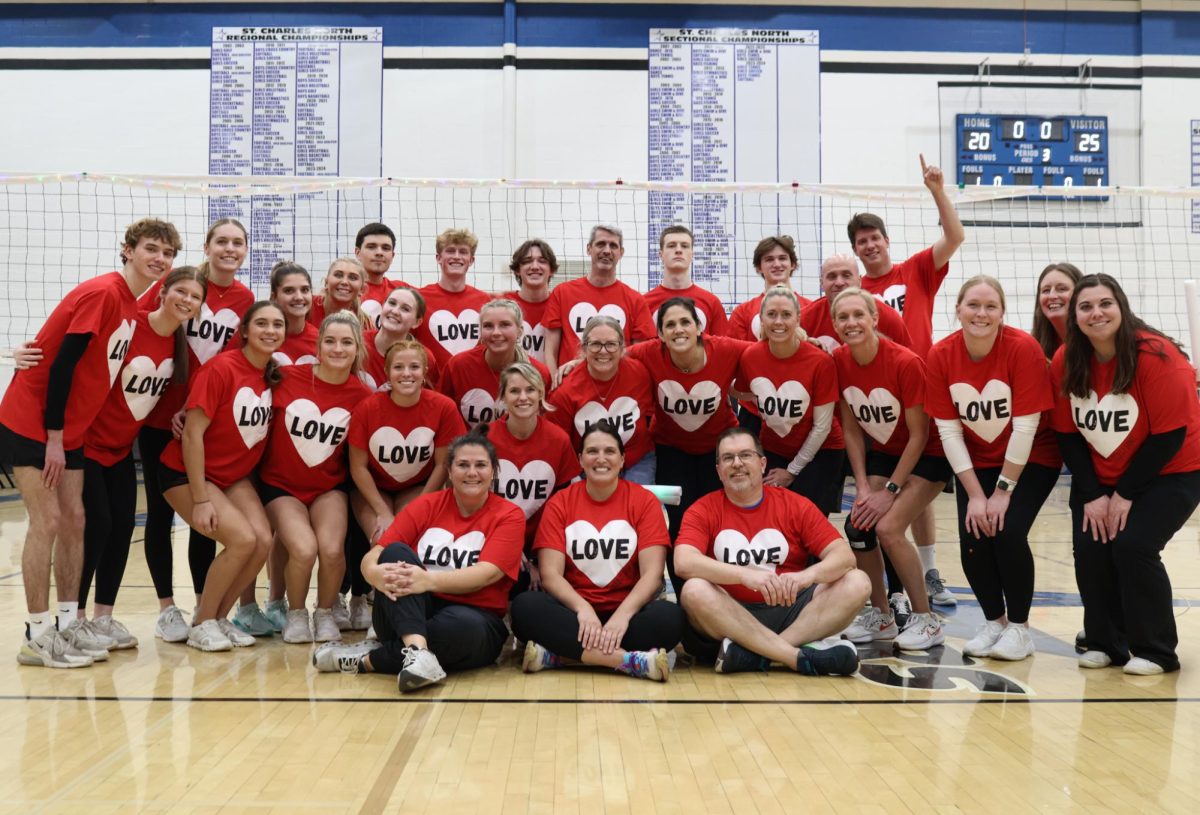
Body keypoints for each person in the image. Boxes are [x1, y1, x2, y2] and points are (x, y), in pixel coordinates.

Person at [5, 224, 182, 668]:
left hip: (71, 430)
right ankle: (36, 634)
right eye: (151, 249)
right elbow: (63, 363)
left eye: (168, 252)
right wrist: (55, 438)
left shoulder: (130, 302)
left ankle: (69, 625)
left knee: (78, 520)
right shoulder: (105, 292)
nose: (159, 258)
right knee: (47, 520)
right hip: (34, 423)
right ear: (127, 251)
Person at [1051, 274, 1200, 675]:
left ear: (1121, 306)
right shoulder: (1067, 359)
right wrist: (1095, 493)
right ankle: (1105, 642)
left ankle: (1156, 651)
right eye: (1085, 307)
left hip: (1173, 470)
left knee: (1133, 546)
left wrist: (1125, 494)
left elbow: (1170, 436)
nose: (1096, 313)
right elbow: (1066, 434)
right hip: (1100, 474)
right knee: (1091, 548)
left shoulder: (1157, 356)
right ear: (1075, 316)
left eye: (1105, 304)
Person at [312, 429, 525, 692]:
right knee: (395, 552)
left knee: (464, 630)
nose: (472, 472)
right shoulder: (427, 505)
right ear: (449, 471)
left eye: (481, 465)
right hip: (408, 610)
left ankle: (367, 659)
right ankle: (417, 651)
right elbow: (375, 555)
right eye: (462, 465)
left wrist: (428, 580)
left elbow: (487, 574)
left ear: (493, 471)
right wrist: (373, 574)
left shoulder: (509, 515)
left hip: (473, 617)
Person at [925, 276, 1061, 660]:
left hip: (1032, 454)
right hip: (977, 458)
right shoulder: (941, 354)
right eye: (973, 305)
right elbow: (949, 432)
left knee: (1008, 530)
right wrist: (974, 495)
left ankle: (1020, 629)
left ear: (1002, 313)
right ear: (958, 309)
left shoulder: (1023, 348)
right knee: (974, 534)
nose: (981, 314)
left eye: (990, 306)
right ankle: (995, 622)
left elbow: (1027, 426)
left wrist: (1001, 492)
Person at [137, 217, 255, 644]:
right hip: (155, 415)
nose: (229, 249)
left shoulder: (245, 299)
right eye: (221, 241)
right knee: (160, 513)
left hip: (203, 421)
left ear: (245, 251)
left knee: (205, 521)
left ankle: (206, 604)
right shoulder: (178, 283)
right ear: (206, 247)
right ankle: (168, 608)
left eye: (237, 243)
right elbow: (135, 321)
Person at [674, 427, 868, 675]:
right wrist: (744, 575)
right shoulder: (703, 509)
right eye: (728, 458)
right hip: (730, 613)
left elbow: (844, 557)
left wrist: (804, 577)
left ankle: (759, 655)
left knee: (857, 582)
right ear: (719, 471)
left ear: (763, 463)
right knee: (694, 590)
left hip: (791, 612)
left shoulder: (794, 504)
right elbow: (684, 562)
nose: (737, 464)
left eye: (746, 455)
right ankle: (793, 656)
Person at [512, 421, 684, 680]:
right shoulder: (561, 502)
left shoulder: (644, 501)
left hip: (628, 614)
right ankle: (627, 661)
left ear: (623, 458)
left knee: (671, 619)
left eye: (609, 451)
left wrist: (622, 617)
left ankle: (562, 656)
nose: (600, 459)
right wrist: (583, 610)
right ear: (580, 459)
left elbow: (653, 576)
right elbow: (550, 575)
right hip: (572, 614)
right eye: (592, 451)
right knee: (525, 608)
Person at [158, 302, 285, 652]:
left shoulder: (272, 374)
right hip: (185, 473)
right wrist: (200, 499)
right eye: (261, 323)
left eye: (277, 324)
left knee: (262, 541)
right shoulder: (221, 369)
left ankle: (219, 617)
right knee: (243, 540)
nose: (270, 330)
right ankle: (202, 623)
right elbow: (192, 435)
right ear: (243, 330)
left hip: (232, 476)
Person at [831, 288, 947, 650]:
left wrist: (890, 492)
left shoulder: (905, 362)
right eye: (843, 317)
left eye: (857, 315)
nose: (851, 323)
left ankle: (926, 619)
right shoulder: (838, 360)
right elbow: (850, 429)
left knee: (890, 527)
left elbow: (920, 433)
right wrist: (863, 488)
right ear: (834, 325)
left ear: (874, 318)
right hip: (885, 450)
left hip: (929, 453)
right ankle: (882, 616)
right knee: (858, 525)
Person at [258, 312, 372, 643]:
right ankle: (295, 612)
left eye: (346, 342)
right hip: (280, 486)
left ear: (357, 348)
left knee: (333, 550)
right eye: (330, 341)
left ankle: (324, 613)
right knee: (304, 548)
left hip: (328, 487)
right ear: (318, 344)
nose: (338, 349)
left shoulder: (362, 395)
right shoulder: (285, 377)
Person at [626, 297, 750, 540]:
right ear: (660, 334)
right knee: (680, 522)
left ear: (699, 327)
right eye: (670, 325)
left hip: (718, 446)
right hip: (671, 448)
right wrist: (577, 362)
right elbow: (610, 356)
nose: (679, 329)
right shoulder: (648, 352)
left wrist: (802, 337)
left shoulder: (724, 349)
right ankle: (683, 575)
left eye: (685, 322)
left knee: (720, 518)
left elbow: (768, 352)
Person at [735, 285, 844, 515]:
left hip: (822, 451)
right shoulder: (751, 356)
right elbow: (743, 392)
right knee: (770, 516)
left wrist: (792, 471)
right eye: (771, 314)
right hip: (774, 449)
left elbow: (822, 426)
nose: (778, 322)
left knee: (805, 521)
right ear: (762, 320)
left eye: (786, 315)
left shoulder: (820, 361)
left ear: (798, 319)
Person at [348, 339, 466, 547]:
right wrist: (382, 512)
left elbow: (442, 464)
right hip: (372, 488)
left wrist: (420, 506)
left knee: (407, 537)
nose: (406, 373)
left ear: (425, 371)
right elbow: (358, 467)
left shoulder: (443, 407)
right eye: (398, 367)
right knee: (382, 541)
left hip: (418, 486)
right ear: (387, 371)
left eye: (414, 367)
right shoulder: (366, 408)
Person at [850, 154, 965, 357]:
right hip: (877, 376)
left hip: (919, 372)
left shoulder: (916, 269)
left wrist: (937, 191)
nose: (870, 245)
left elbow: (955, 237)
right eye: (862, 241)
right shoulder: (854, 291)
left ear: (887, 240)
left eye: (875, 238)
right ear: (855, 249)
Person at [546, 316, 656, 484]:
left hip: (636, 461)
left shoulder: (640, 373)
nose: (603, 351)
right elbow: (559, 445)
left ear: (621, 348)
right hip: (589, 467)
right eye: (595, 344)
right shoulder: (564, 391)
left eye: (611, 344)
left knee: (638, 507)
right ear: (584, 348)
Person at [488, 363, 578, 565]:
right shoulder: (485, 438)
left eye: (530, 390)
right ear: (503, 397)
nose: (522, 397)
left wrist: (537, 558)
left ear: (541, 394)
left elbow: (561, 505)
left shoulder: (558, 439)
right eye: (514, 391)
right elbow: (474, 500)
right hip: (492, 536)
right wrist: (508, 543)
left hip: (543, 541)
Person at [542, 224, 655, 380]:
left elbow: (638, 354)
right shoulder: (562, 292)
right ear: (589, 249)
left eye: (613, 246)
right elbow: (550, 351)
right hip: (572, 387)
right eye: (601, 244)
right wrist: (553, 384)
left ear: (621, 253)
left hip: (616, 387)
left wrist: (585, 361)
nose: (607, 250)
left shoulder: (635, 300)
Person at [439, 299, 551, 426]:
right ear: (480, 331)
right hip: (467, 445)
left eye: (505, 324)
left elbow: (542, 423)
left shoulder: (538, 373)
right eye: (488, 326)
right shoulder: (458, 366)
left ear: (519, 330)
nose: (496, 332)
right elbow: (441, 415)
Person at [412, 228, 492, 370]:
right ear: (438, 258)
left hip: (471, 384)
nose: (456, 256)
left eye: (463, 252)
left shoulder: (484, 300)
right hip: (432, 386)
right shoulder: (420, 298)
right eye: (450, 251)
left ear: (471, 260)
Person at [800, 254, 911, 353]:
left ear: (860, 281)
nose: (839, 282)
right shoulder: (804, 319)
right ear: (821, 283)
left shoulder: (887, 317)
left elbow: (907, 358)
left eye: (846, 275)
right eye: (832, 276)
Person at [643, 225, 729, 335]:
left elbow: (721, 347)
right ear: (661, 255)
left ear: (692, 254)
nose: (678, 250)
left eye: (684, 246)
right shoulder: (645, 303)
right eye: (671, 246)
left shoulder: (712, 302)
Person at [727, 235, 809, 342]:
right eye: (769, 259)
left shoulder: (810, 307)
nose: (777, 264)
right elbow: (736, 354)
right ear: (759, 267)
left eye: (782, 258)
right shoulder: (742, 313)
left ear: (792, 264)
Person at [361, 285, 439, 391]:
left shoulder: (425, 357)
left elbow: (430, 401)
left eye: (405, 309)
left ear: (417, 322)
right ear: (383, 306)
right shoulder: (358, 343)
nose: (395, 311)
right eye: (392, 303)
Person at [500, 239, 557, 363]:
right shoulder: (502, 303)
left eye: (542, 261)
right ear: (517, 270)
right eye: (527, 261)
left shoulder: (560, 303)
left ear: (551, 270)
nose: (535, 267)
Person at [354, 222, 404, 329]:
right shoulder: (345, 290)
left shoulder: (403, 291)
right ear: (358, 253)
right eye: (371, 247)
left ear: (392, 255)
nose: (379, 253)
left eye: (385, 248)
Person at [1031, 262, 1083, 361]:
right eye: (1046, 290)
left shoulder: (1094, 340)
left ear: (1080, 294)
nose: (1052, 296)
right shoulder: (1035, 345)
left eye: (1062, 289)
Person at [308, 257, 370, 329]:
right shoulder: (308, 306)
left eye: (353, 278)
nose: (344, 282)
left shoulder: (364, 324)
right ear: (326, 282)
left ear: (362, 289)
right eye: (338, 275)